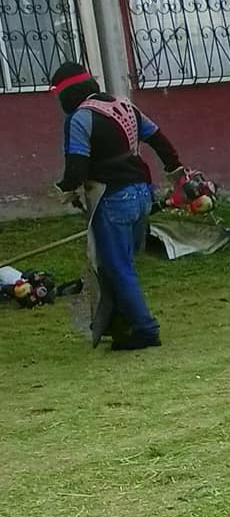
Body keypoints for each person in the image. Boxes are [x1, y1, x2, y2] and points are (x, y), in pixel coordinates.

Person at [49, 61, 184, 350]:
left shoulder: (81, 119)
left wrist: (65, 191)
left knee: (116, 266)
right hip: (141, 193)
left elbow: (77, 168)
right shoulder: (122, 106)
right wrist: (176, 173)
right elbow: (160, 141)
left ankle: (145, 330)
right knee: (122, 265)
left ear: (67, 93)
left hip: (112, 197)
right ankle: (121, 325)